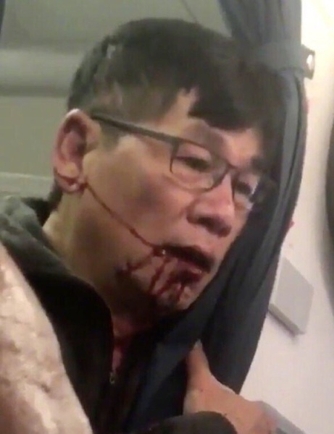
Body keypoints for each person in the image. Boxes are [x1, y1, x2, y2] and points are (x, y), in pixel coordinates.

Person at [0, 17, 283, 434]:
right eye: (195, 161)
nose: (223, 213)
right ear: (76, 152)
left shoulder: (190, 362)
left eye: (245, 189)